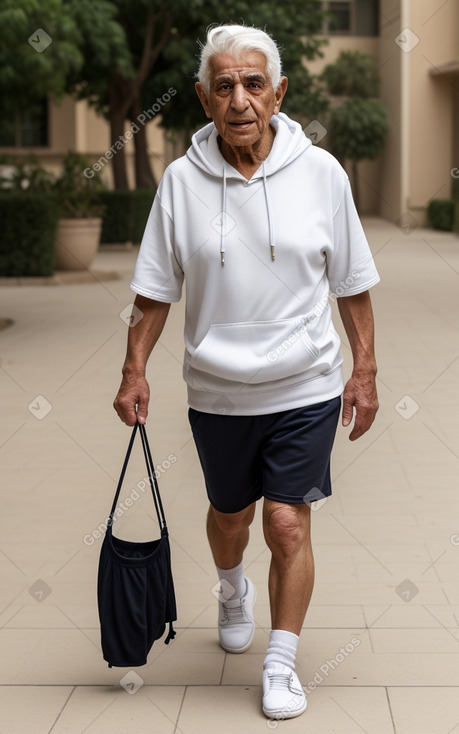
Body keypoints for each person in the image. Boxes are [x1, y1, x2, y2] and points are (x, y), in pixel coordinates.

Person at [114, 24, 379, 721]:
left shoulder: (321, 173)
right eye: (224, 85)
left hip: (305, 383)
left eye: (253, 83)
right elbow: (152, 290)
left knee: (287, 524)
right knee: (230, 516)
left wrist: (364, 371)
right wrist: (133, 370)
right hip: (218, 390)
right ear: (203, 99)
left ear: (278, 92)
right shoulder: (179, 182)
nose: (240, 99)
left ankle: (281, 662)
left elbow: (351, 282)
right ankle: (232, 587)